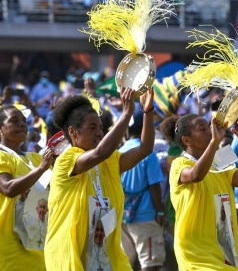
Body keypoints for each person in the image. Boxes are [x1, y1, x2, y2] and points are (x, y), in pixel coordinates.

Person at [44, 87, 155, 270]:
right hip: (69, 257)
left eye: (101, 128)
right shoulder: (66, 160)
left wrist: (147, 112)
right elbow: (101, 152)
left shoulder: (110, 160)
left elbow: (145, 149)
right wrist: (127, 113)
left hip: (102, 256)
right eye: (92, 128)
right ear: (73, 132)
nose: (99, 133)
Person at [0, 105, 55, 270]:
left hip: (38, 249)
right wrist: (41, 169)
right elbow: (8, 188)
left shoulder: (35, 159)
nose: (21, 124)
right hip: (6, 250)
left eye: (23, 121)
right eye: (14, 121)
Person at [159, 114, 238, 269]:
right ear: (186, 140)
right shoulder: (179, 163)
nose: (210, 131)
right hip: (195, 249)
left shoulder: (220, 158)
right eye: (203, 128)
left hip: (223, 244)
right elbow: (196, 175)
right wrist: (215, 142)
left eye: (209, 126)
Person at [119, 107, 166, 270]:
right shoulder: (147, 152)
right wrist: (159, 212)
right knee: (150, 261)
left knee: (125, 263)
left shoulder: (118, 152)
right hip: (145, 215)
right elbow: (154, 185)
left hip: (123, 216)